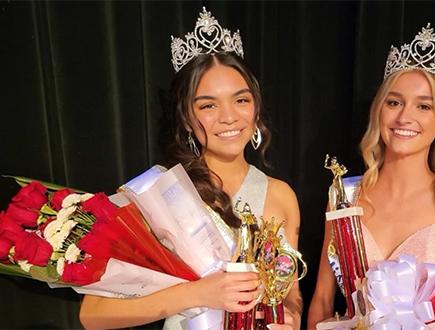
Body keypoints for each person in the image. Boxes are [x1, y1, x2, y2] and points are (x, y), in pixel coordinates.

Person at [79, 8, 302, 330]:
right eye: (208, 105)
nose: (228, 117)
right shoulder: (157, 195)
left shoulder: (282, 196)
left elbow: (290, 292)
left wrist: (292, 317)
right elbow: (94, 315)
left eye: (241, 100)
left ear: (256, 107)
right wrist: (198, 293)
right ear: (185, 117)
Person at [307, 23, 435, 328]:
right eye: (394, 102)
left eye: (424, 106)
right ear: (379, 111)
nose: (405, 117)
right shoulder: (344, 197)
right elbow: (323, 301)